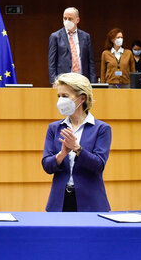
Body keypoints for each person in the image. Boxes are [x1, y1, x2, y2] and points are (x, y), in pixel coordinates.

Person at [41, 72, 111, 212]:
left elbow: (98, 166)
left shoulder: (101, 129)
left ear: (81, 98)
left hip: (91, 203)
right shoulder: (54, 128)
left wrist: (77, 148)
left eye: (65, 96)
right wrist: (61, 154)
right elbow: (47, 166)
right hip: (60, 202)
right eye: (59, 96)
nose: (60, 100)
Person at [48, 7, 96, 85]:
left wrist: (93, 83)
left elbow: (91, 62)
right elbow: (51, 63)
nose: (67, 21)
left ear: (77, 20)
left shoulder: (85, 36)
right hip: (64, 80)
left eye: (70, 19)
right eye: (65, 18)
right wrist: (54, 82)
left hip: (82, 80)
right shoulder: (55, 36)